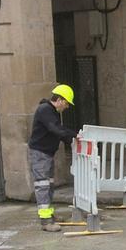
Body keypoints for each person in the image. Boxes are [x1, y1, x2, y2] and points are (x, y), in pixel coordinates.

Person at [28, 84, 77, 232]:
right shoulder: (46, 110)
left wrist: (71, 136)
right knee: (43, 186)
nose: (67, 107)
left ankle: (49, 215)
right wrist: (73, 135)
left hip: (46, 154)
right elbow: (56, 129)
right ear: (60, 100)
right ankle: (46, 221)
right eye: (67, 103)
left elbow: (57, 130)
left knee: (48, 186)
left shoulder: (51, 111)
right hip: (40, 154)